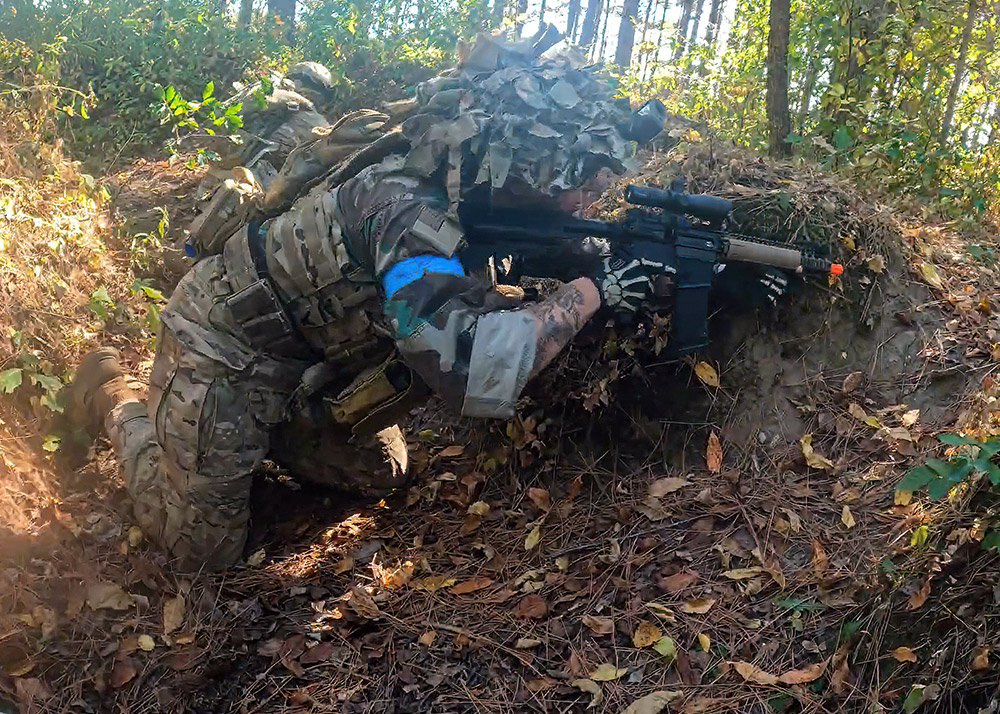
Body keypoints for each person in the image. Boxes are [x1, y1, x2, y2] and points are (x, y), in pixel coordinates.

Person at [66, 32, 670, 570]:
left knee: (383, 474)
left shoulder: (486, 192)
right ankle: (114, 396)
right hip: (226, 345)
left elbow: (559, 246)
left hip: (313, 355)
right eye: (584, 182)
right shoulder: (408, 208)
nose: (591, 197)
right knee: (203, 550)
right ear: (536, 169)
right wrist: (597, 292)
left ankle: (267, 434)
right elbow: (469, 372)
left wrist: (631, 256)